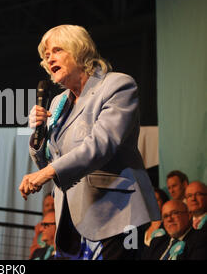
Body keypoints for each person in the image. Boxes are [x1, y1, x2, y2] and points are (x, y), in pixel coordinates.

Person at [18, 24, 160, 260]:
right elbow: (46, 161)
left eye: (56, 50)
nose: (49, 58)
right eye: (46, 55)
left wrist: (48, 173)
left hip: (116, 212)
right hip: (72, 219)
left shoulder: (117, 85)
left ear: (79, 50)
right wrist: (37, 132)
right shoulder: (57, 103)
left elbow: (101, 144)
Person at [142, 200, 207, 260]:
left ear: (189, 215)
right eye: (165, 216)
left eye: (174, 213)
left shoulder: (201, 239)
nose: (169, 219)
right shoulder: (157, 242)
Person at [29, 193, 55, 258]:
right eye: (47, 205)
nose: (50, 207)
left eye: (53, 204)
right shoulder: (38, 227)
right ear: (43, 209)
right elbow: (33, 250)